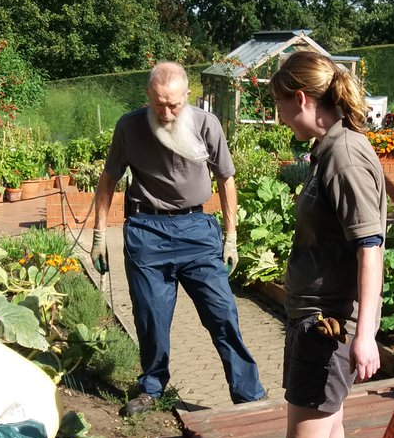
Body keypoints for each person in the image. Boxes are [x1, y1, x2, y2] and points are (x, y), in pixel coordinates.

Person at [265, 51, 387, 438]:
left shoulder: (344, 155)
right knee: (329, 428)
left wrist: (365, 332)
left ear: (302, 99)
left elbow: (370, 248)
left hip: (329, 324)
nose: (280, 119)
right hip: (319, 318)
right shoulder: (328, 149)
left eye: (279, 106)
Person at [91, 62, 265, 415]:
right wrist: (97, 236)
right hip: (147, 232)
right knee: (151, 318)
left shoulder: (205, 124)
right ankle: (152, 388)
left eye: (174, 104)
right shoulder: (129, 127)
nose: (167, 112)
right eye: (159, 104)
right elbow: (108, 179)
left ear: (188, 96)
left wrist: (230, 238)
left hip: (197, 231)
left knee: (223, 315)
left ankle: (249, 395)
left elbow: (226, 179)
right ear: (148, 97)